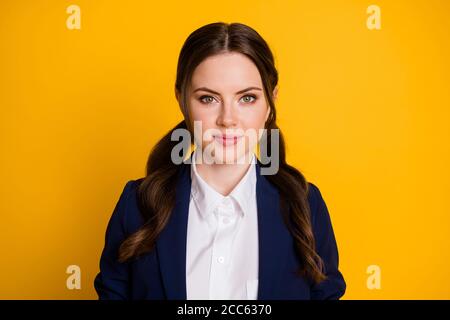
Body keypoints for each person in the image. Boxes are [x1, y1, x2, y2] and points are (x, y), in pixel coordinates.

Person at [94, 22, 346, 300]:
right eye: (208, 98)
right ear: (181, 100)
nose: (228, 119)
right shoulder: (136, 205)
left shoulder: (306, 205)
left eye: (247, 98)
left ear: (270, 102)